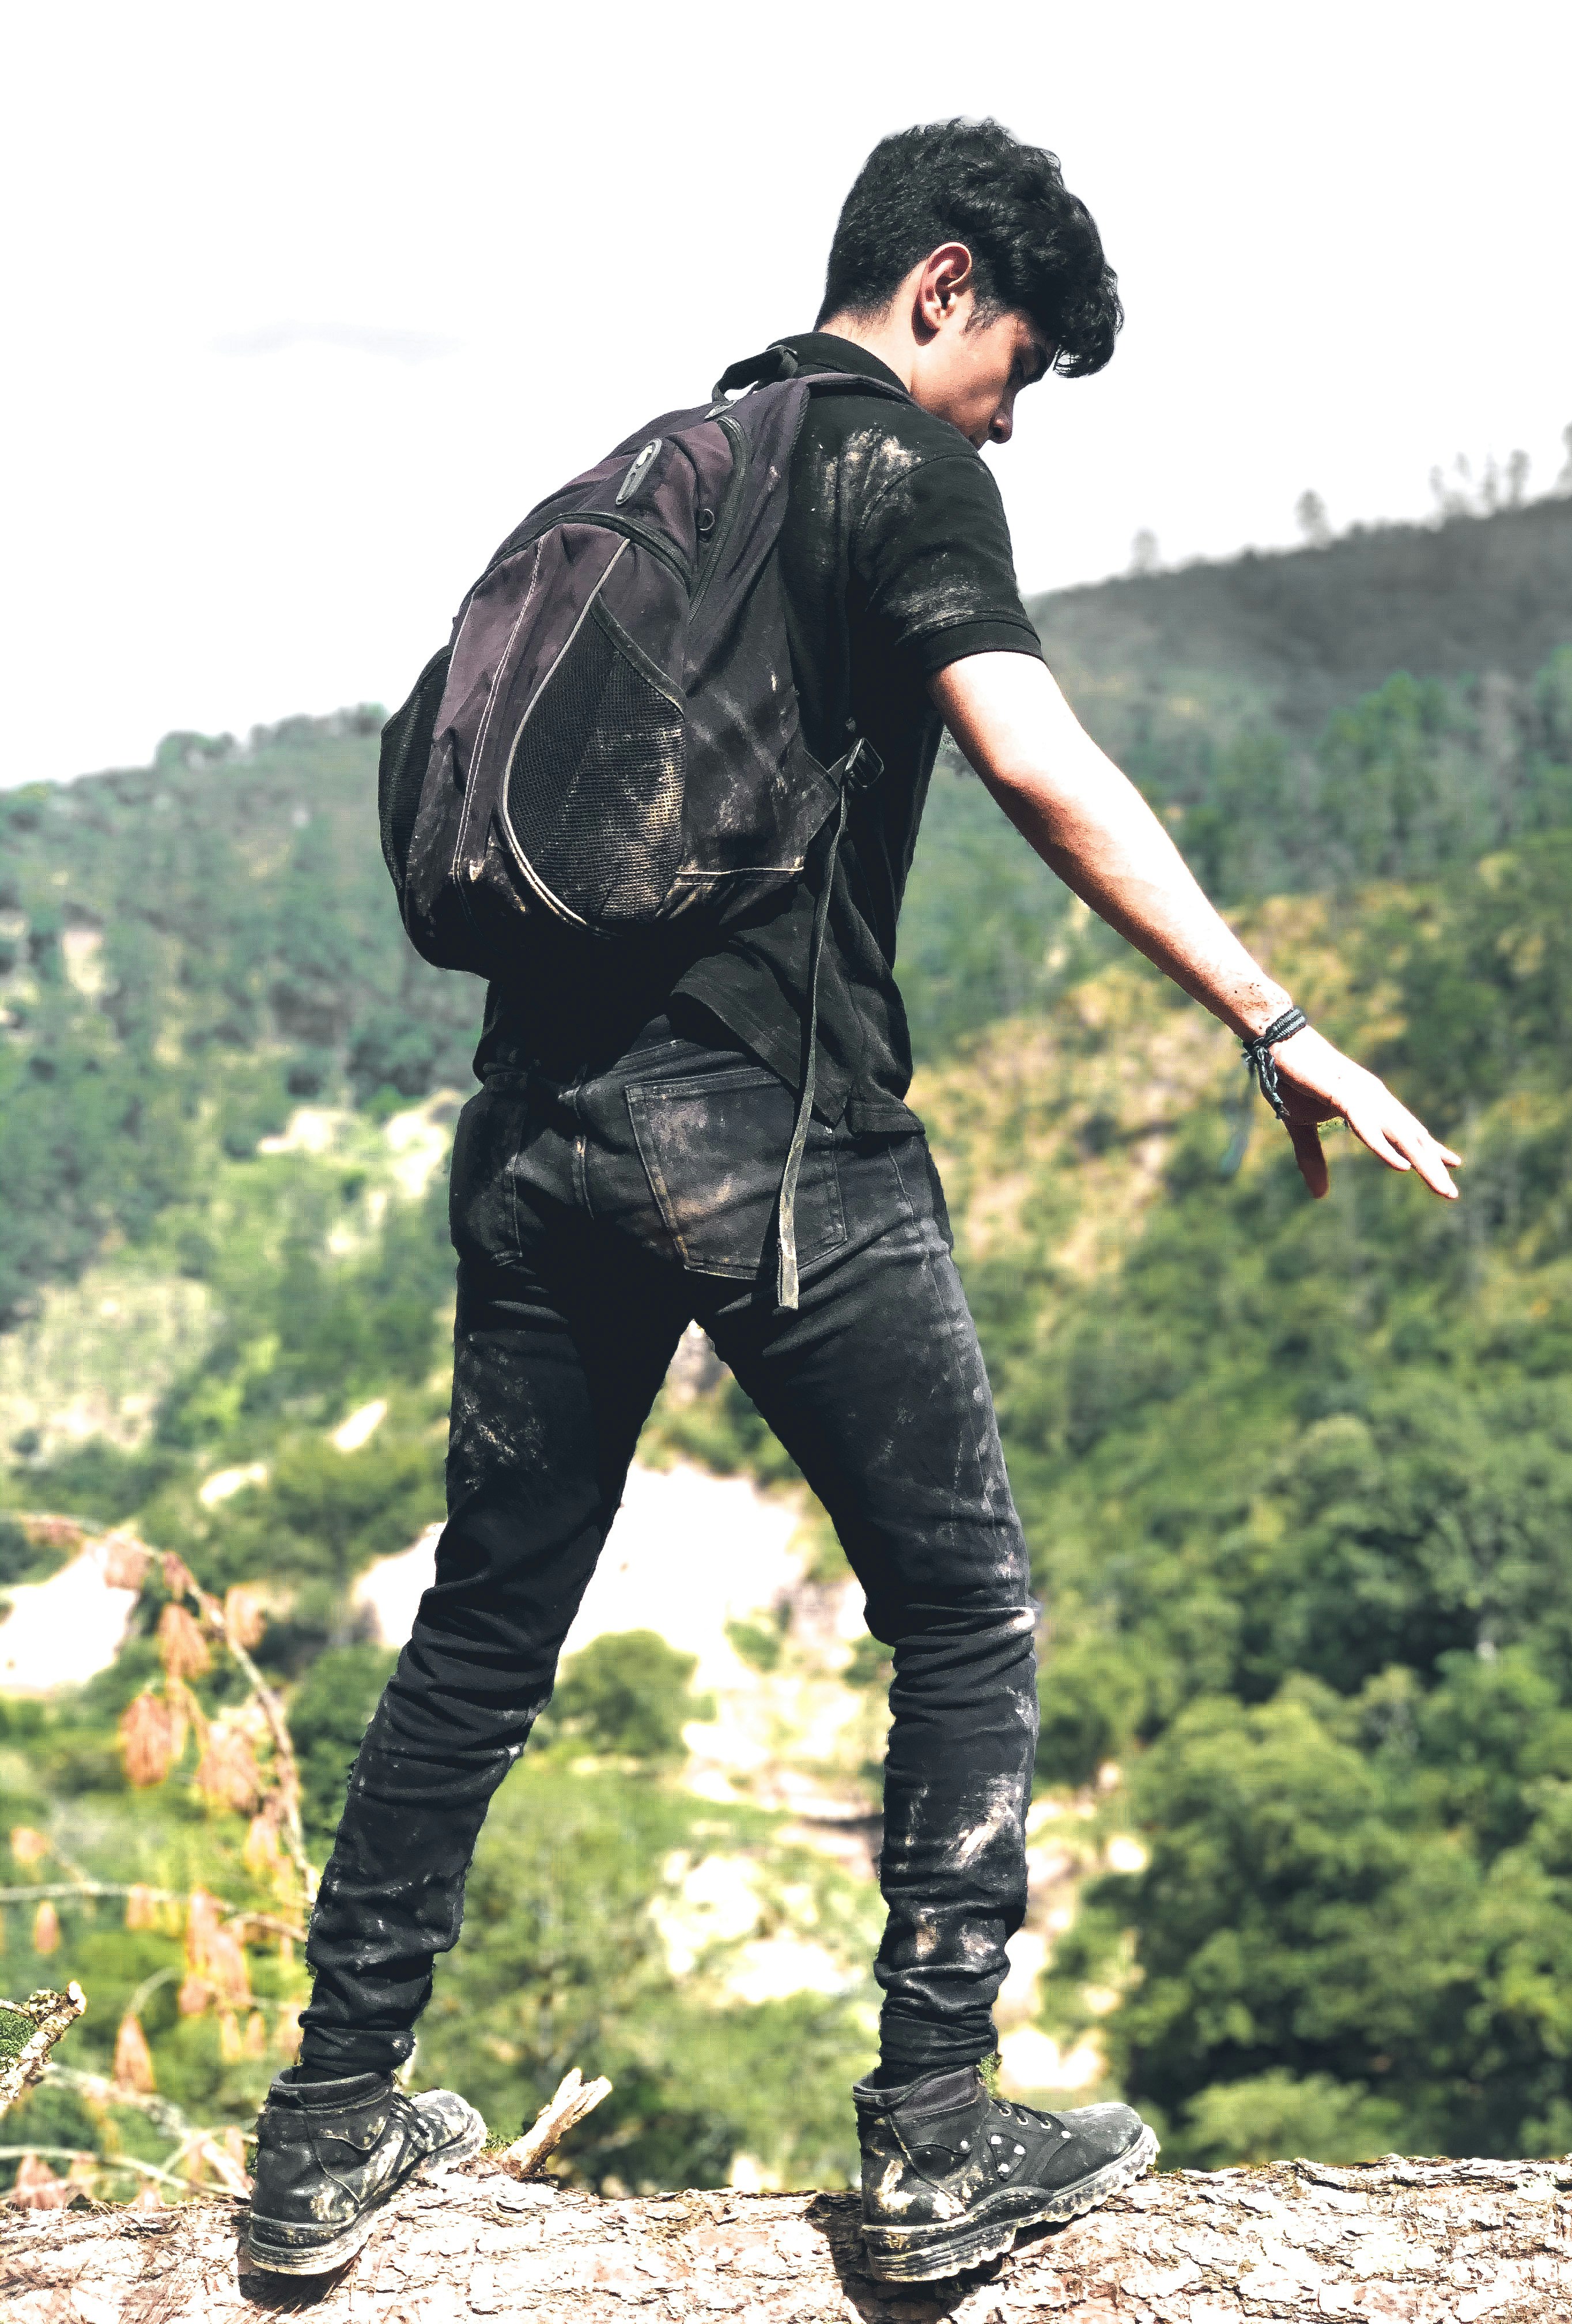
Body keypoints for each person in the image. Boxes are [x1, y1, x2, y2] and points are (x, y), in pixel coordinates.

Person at [242, 117, 1461, 2282]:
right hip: (767, 1139)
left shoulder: (651, 468)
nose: (1011, 420)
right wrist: (1275, 1021)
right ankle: (930, 2144)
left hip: (532, 1136)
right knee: (967, 1610)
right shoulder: (888, 463)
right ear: (943, 284)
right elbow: (1037, 758)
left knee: (483, 1628)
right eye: (1019, 370)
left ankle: (323, 2134)